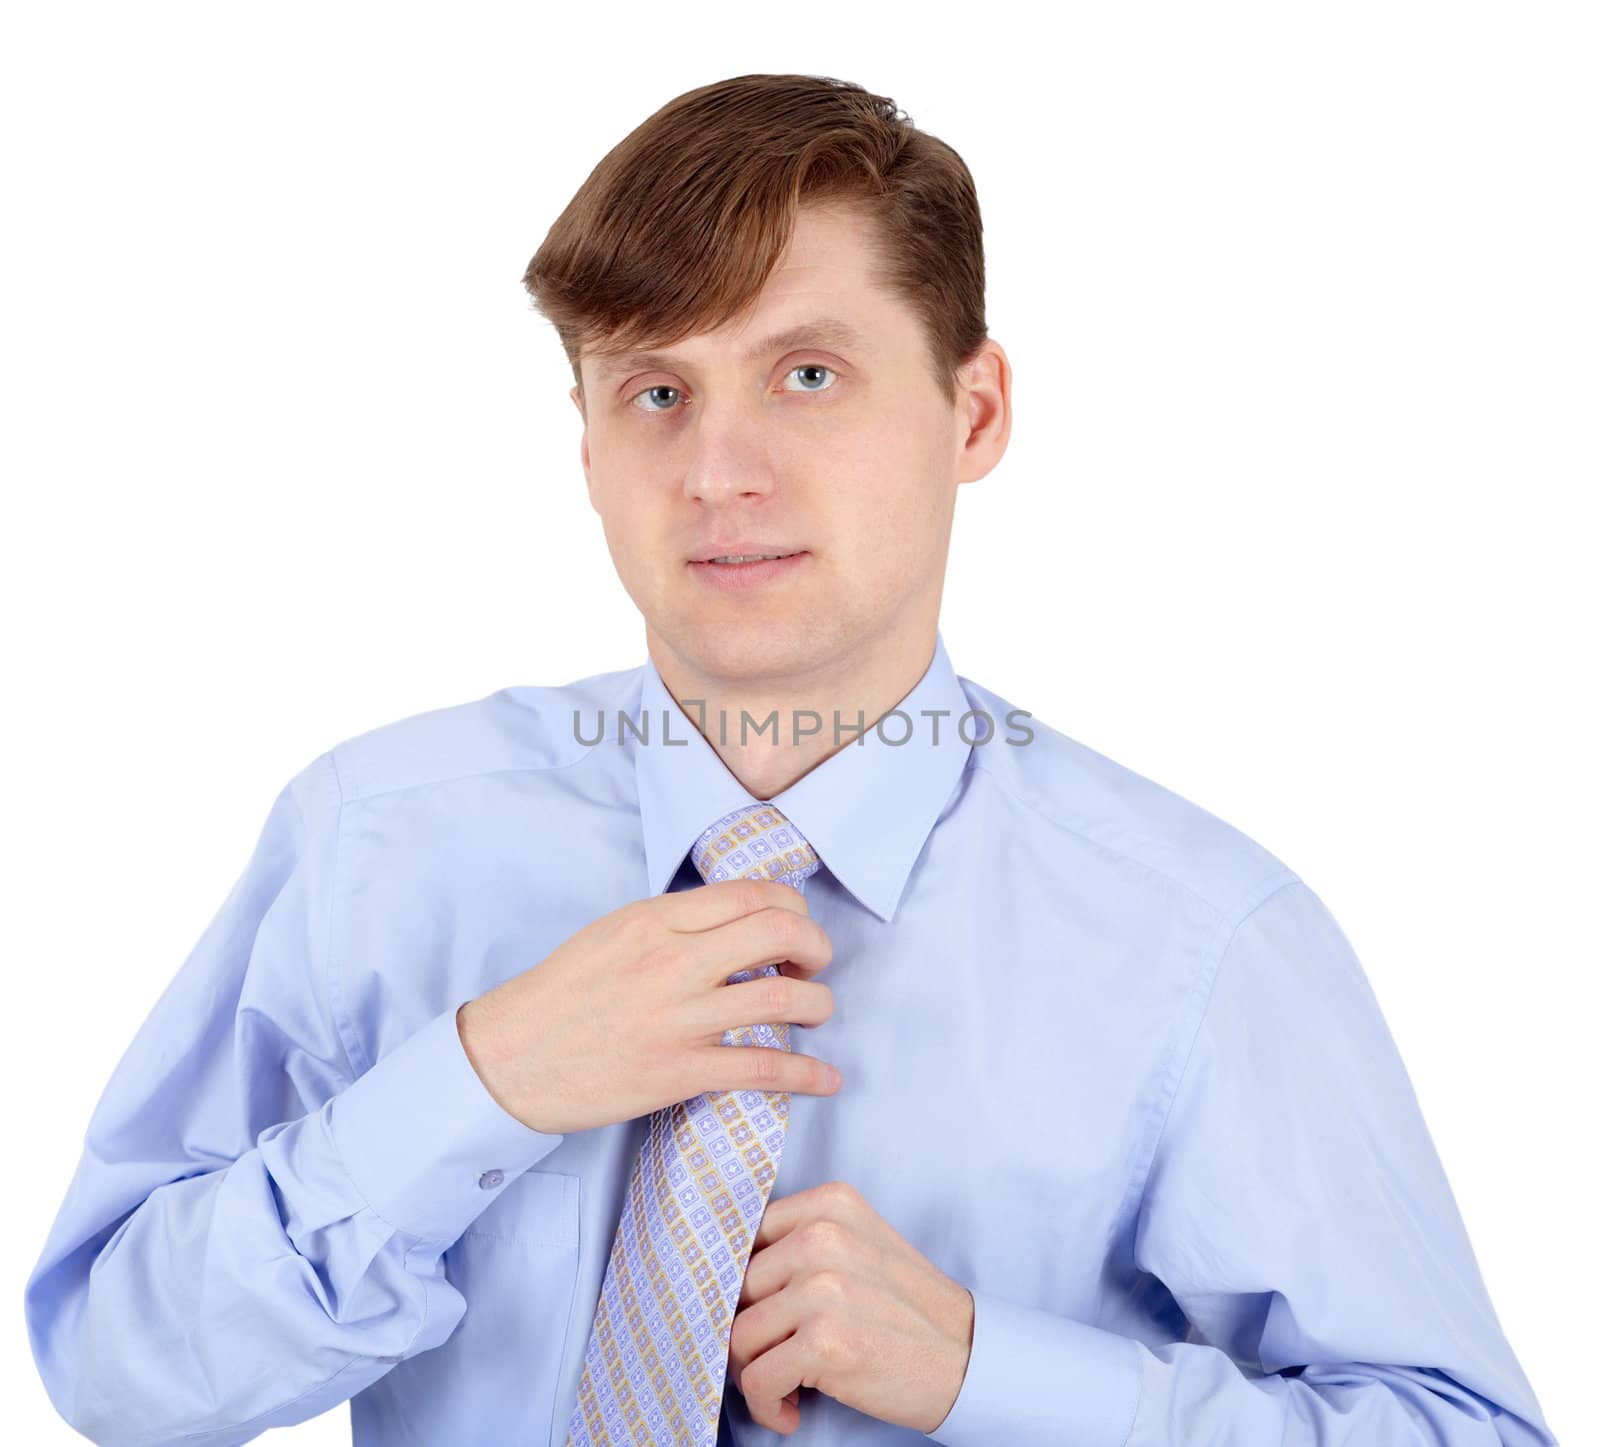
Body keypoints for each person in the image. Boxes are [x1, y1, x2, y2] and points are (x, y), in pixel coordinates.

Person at [22, 72, 1557, 1447]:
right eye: (655, 391)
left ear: (976, 409)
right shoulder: (376, 840)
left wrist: (987, 1375)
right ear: (585, 440)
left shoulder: (1202, 947)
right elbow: (118, 1371)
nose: (717, 470)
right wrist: (476, 1088)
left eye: (807, 375)